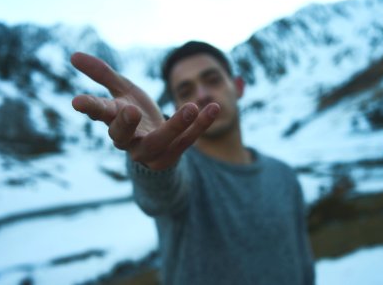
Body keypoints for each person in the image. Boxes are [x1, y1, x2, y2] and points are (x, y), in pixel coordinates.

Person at [71, 41, 315, 285]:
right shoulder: (184, 172)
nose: (202, 95)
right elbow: (161, 193)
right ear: (178, 107)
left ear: (238, 87)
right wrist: (154, 165)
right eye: (186, 91)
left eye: (213, 80)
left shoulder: (284, 176)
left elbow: (304, 263)